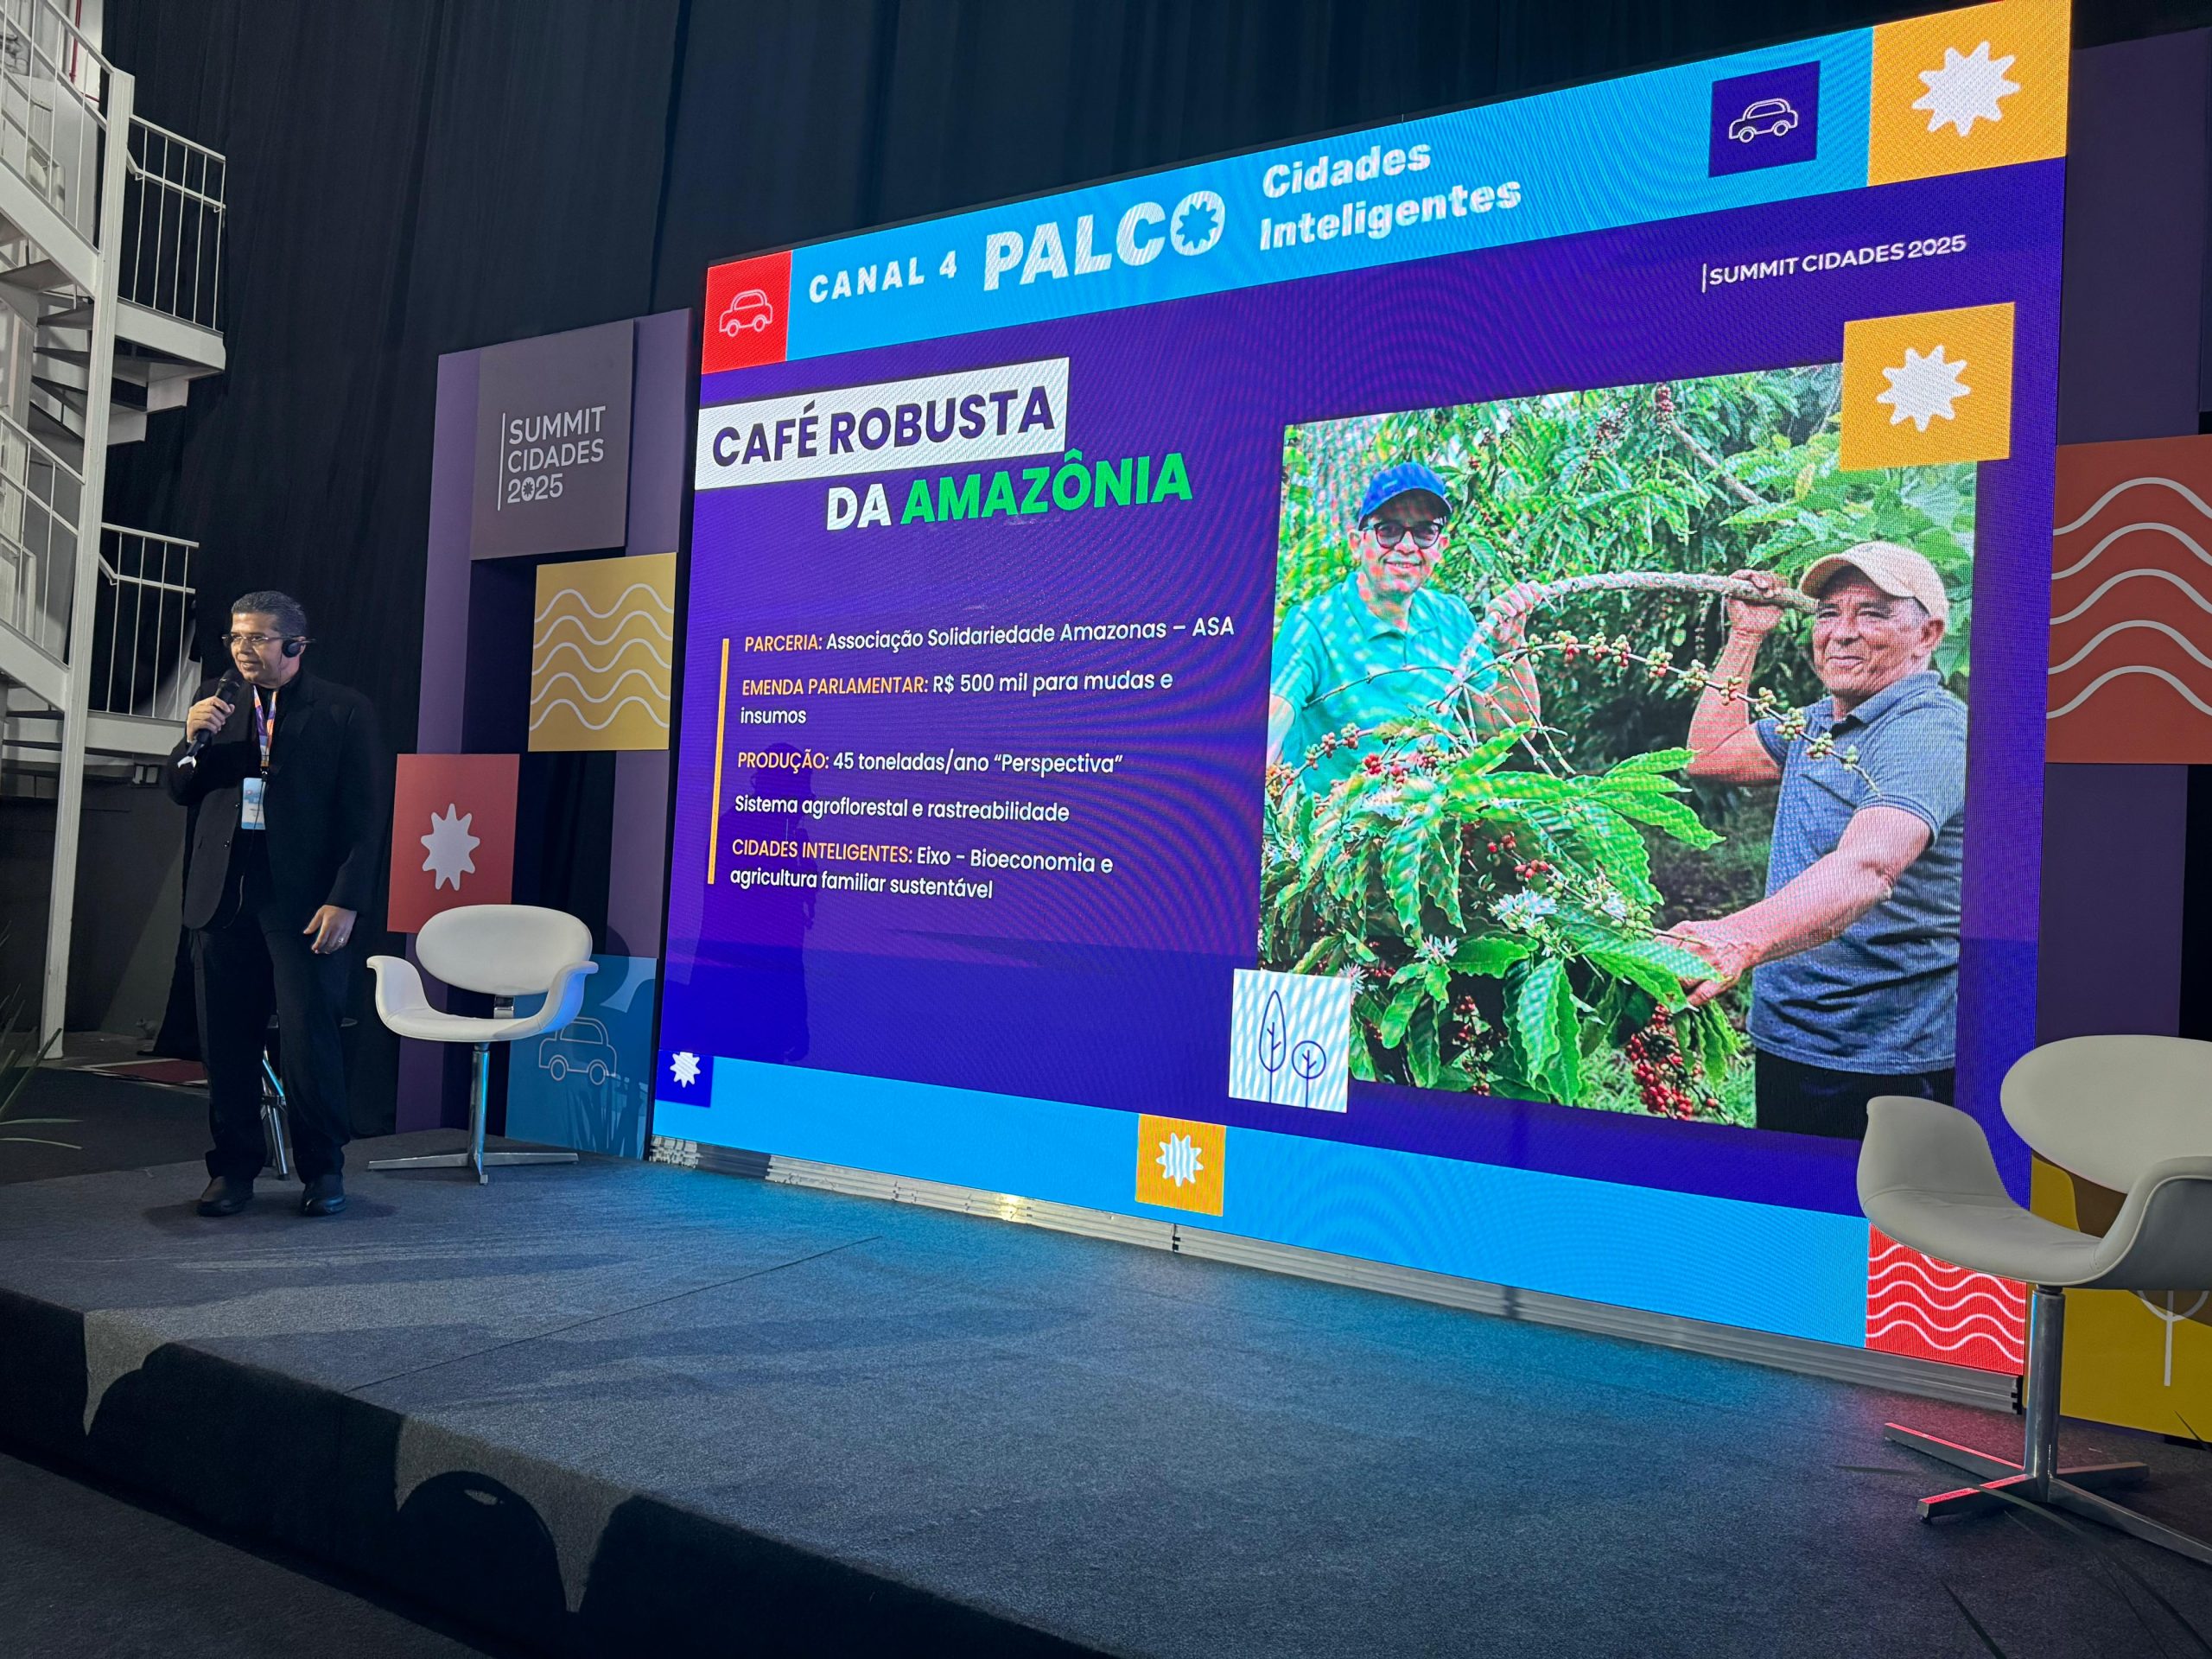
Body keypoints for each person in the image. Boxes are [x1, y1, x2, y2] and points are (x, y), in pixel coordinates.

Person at [1668, 543, 1966, 1139]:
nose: (1843, 633)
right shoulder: (1820, 723)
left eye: (1874, 614)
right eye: (1829, 613)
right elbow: (1709, 754)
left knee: (1870, 1228)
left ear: (1927, 635)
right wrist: (1746, 637)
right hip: (1795, 1035)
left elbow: (1868, 867)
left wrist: (1736, 937)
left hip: (1881, 1057)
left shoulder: (1929, 730)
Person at [168, 592, 386, 1217]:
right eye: (237, 639)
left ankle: (323, 1171)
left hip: (303, 904)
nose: (243, 651)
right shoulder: (218, 706)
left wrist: (345, 901)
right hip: (222, 898)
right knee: (227, 1045)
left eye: (258, 639)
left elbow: (365, 820)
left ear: (295, 646)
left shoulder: (344, 711)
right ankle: (233, 1170)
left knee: (308, 1042)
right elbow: (180, 789)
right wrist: (192, 740)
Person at [1268, 462, 1543, 793]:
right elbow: (1272, 721)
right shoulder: (1314, 624)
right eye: (1388, 530)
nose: (1408, 546)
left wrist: (1511, 646)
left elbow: (1510, 728)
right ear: (1358, 543)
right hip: (1335, 836)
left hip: (1422, 832)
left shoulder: (1452, 617)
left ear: (1441, 546)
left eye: (1425, 531)